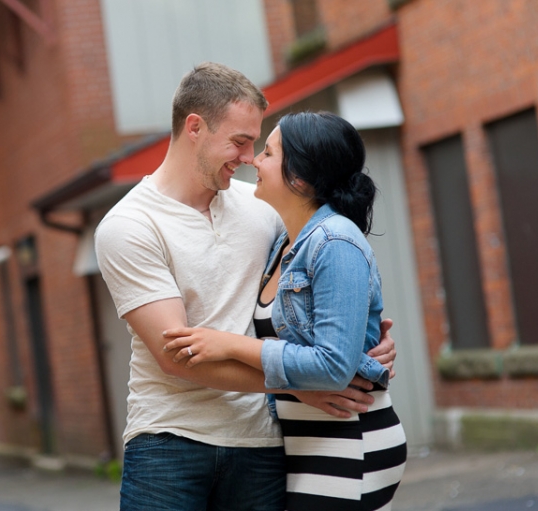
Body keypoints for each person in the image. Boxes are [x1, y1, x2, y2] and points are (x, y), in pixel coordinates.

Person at [95, 62, 396, 511]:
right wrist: (299, 386)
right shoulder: (130, 225)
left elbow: (327, 292)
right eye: (239, 141)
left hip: (264, 444)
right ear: (194, 127)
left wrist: (367, 343)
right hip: (171, 440)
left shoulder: (264, 210)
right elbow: (177, 357)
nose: (249, 157)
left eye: (257, 144)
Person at [162, 111, 408, 510]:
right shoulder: (285, 245)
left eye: (269, 153)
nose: (254, 160)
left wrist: (229, 346)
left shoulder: (336, 241)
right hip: (309, 441)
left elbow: (333, 366)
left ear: (299, 177)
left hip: (349, 437)